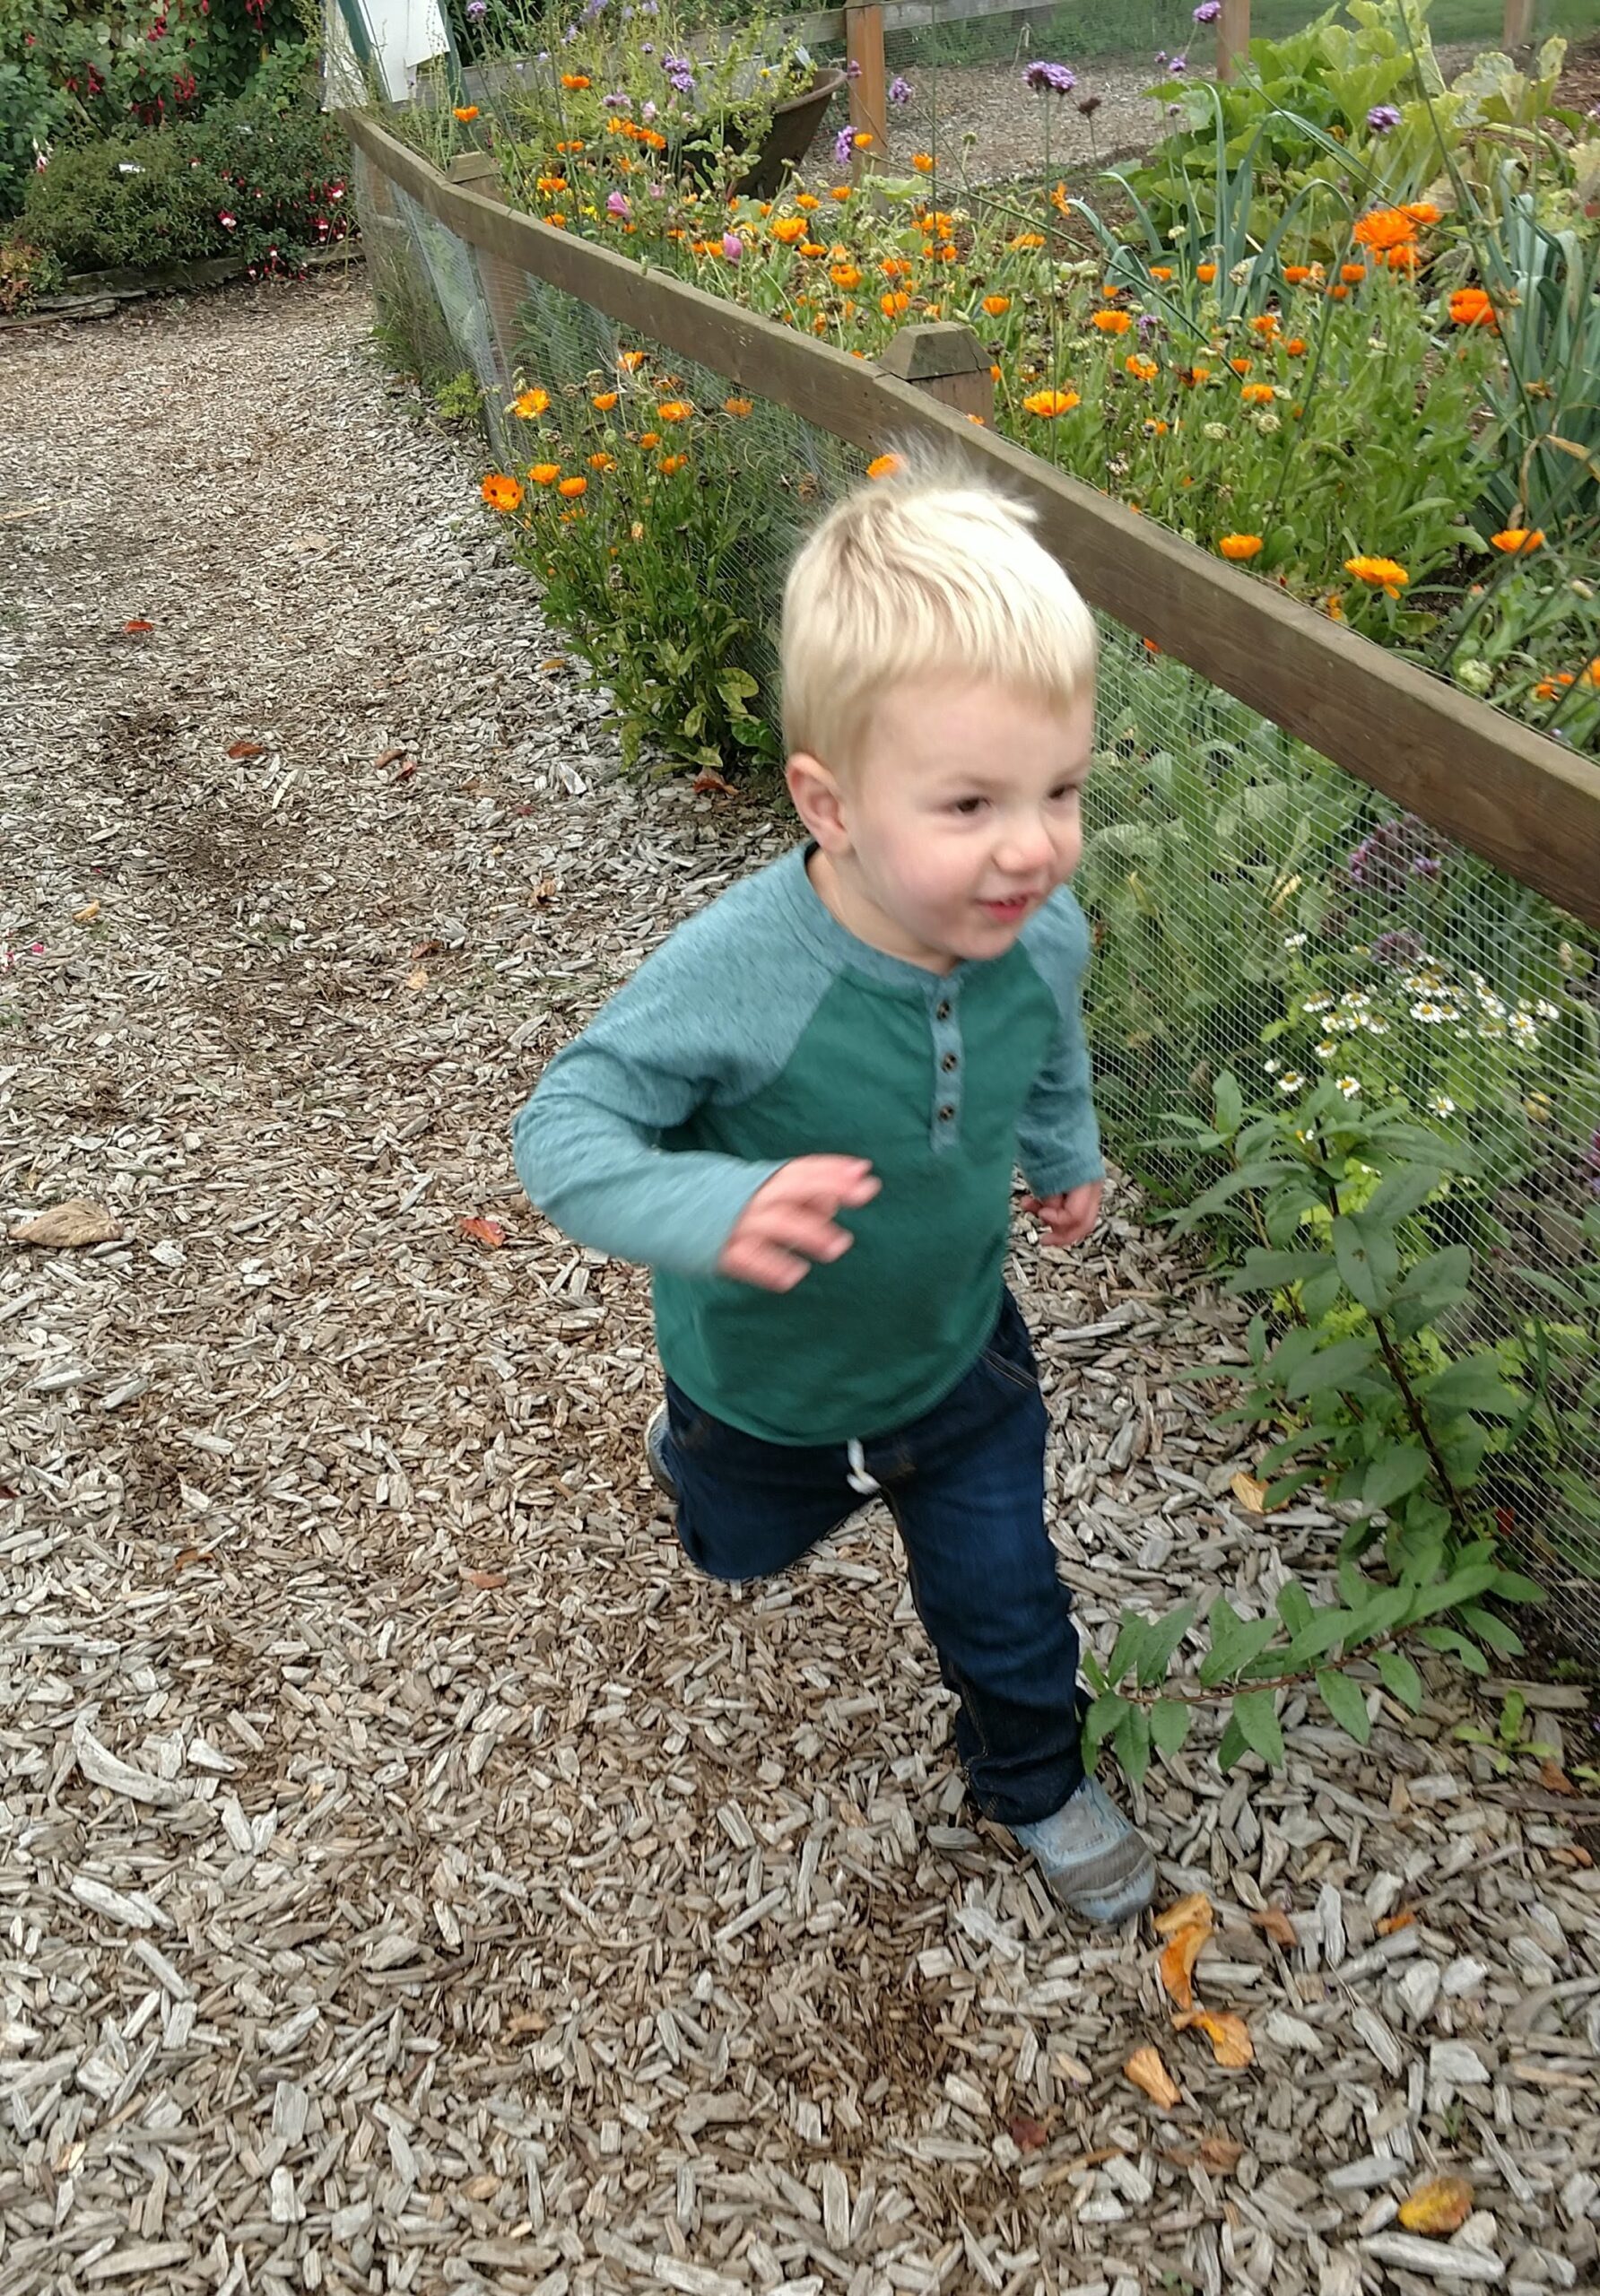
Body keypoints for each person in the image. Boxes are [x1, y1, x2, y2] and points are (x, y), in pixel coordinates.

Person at [512, 459, 1154, 1926]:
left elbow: (1048, 1048)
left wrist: (1062, 1158)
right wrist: (710, 1212)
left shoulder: (1035, 932)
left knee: (1008, 1592)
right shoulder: (751, 969)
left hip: (956, 1352)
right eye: (973, 802)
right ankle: (701, 1470)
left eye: (1060, 790)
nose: (1033, 845)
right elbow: (564, 1122)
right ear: (833, 801)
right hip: (769, 1376)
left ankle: (1035, 1777)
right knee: (738, 1548)